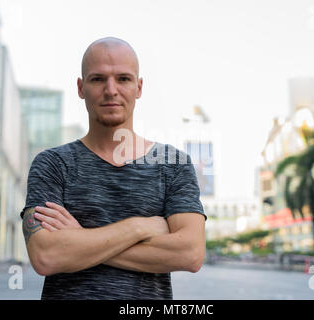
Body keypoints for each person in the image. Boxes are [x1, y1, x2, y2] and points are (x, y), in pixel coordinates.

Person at [20, 37, 207, 300]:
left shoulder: (172, 164)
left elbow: (190, 253)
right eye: (98, 79)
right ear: (81, 87)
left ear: (139, 87)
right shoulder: (52, 164)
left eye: (123, 79)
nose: (111, 90)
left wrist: (80, 240)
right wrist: (139, 228)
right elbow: (46, 256)